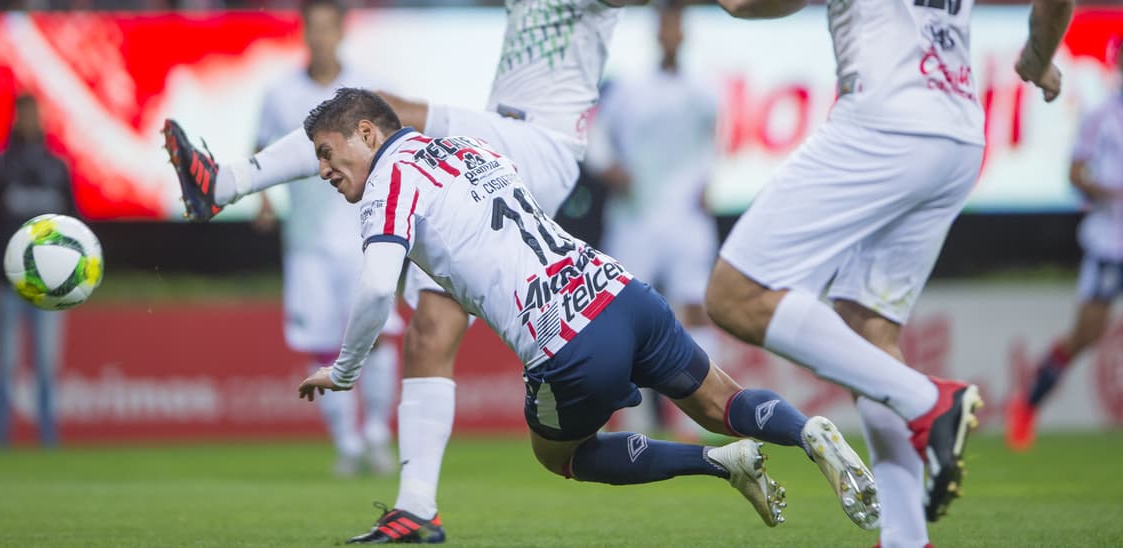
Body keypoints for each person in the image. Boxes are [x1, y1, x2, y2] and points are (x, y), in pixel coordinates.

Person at [164, 0, 674, 543]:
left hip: (540, 148)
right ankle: (416, 509)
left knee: (379, 110)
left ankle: (223, 183)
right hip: (507, 156)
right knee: (430, 334)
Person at [703, 0, 1075, 548]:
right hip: (956, 137)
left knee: (734, 293)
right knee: (868, 327)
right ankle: (904, 538)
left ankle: (927, 402)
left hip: (886, 118)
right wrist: (1035, 62)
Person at [295, 88, 879, 538]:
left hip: (564, 338)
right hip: (621, 290)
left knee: (560, 455)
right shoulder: (466, 148)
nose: (323, 170)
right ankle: (807, 431)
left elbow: (375, 289)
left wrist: (345, 370)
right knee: (723, 404)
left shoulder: (388, 181)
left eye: (327, 152)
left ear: (367, 133)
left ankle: (718, 466)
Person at [254, 0, 402, 475]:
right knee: (323, 344)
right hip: (307, 244)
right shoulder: (279, 93)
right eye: (312, 27)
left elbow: (395, 149)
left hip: (364, 235)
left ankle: (378, 434)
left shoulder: (366, 94)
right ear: (304, 32)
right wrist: (261, 201)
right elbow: (261, 150)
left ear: (341, 31)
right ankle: (346, 443)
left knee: (375, 336)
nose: (320, 36)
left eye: (327, 27)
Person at [587, 0, 720, 436]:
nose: (671, 34)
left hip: (685, 216)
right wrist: (609, 168)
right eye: (665, 26)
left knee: (695, 306)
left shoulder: (703, 91)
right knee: (621, 311)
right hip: (636, 214)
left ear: (685, 35)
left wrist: (706, 180)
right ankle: (624, 413)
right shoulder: (629, 88)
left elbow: (710, 145)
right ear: (656, 33)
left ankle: (698, 416)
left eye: (677, 27)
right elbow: (597, 137)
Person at [1008, 45, 1123, 450]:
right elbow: (1075, 173)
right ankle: (1029, 402)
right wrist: (1110, 189)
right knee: (1087, 334)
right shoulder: (1100, 115)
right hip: (1111, 241)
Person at [0, 93, 76, 447]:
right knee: (6, 366)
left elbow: (75, 227)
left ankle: (48, 441)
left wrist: (74, 276)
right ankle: (1, 442)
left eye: (35, 115)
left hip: (49, 287)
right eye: (25, 115)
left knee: (47, 366)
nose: (31, 121)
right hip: (7, 282)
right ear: (15, 118)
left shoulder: (57, 169)